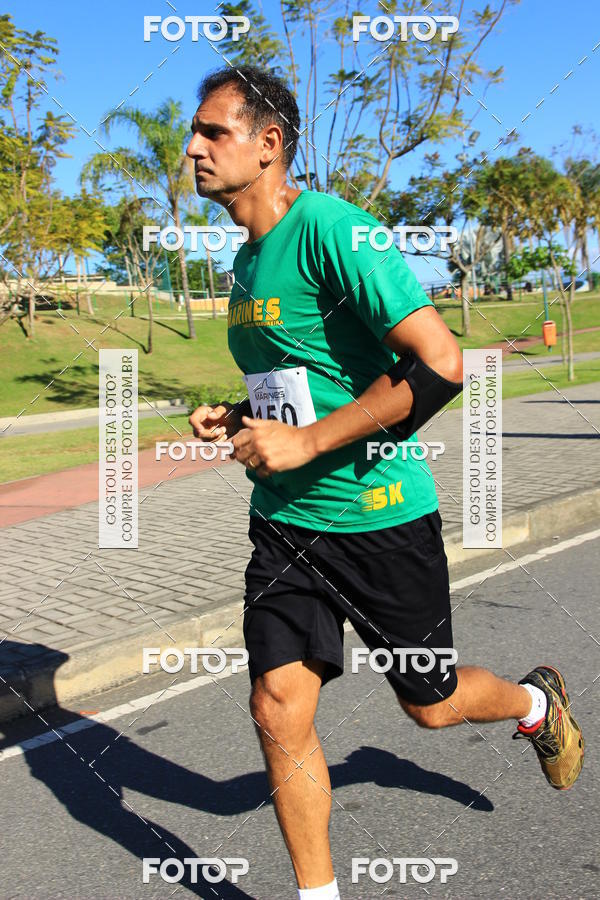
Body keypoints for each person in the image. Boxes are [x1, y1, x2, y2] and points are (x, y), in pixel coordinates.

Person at [187, 65, 584, 899]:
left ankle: (534, 705)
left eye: (213, 132)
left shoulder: (335, 229)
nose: (192, 148)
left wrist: (308, 443)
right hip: (289, 525)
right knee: (276, 707)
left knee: (431, 705)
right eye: (194, 133)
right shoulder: (246, 259)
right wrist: (239, 415)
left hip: (380, 517)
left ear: (269, 144)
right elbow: (304, 380)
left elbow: (442, 363)